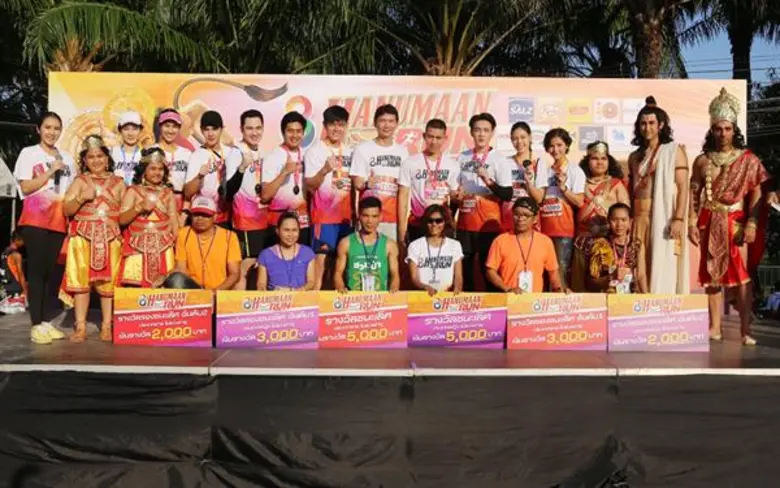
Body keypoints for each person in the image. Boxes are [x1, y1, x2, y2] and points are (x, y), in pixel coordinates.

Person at [689, 87, 769, 345]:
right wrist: (691, 222)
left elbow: (756, 193)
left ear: (734, 130)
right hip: (709, 220)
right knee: (711, 277)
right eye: (718, 129)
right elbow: (694, 193)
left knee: (742, 278)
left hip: (736, 222)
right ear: (712, 130)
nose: (722, 133)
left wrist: (752, 223)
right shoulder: (702, 161)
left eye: (727, 128)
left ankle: (746, 330)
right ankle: (714, 327)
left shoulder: (749, 160)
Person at [13, 111, 76, 344]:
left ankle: (45, 321)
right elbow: (26, 187)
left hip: (58, 220)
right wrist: (50, 171)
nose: (52, 132)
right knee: (37, 272)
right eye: (47, 127)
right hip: (36, 219)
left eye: (56, 128)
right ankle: (36, 324)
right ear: (38, 129)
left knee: (50, 273)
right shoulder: (29, 153)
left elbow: (72, 189)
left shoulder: (67, 158)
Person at [60, 135, 126, 343]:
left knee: (108, 285)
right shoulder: (80, 181)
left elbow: (125, 213)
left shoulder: (119, 183)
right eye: (91, 157)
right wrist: (82, 197)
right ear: (84, 160)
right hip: (83, 237)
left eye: (100, 156)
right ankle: (80, 326)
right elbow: (67, 209)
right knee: (81, 283)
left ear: (107, 158)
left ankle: (107, 325)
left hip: (110, 237)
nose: (96, 160)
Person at [628, 96, 690, 294]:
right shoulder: (634, 157)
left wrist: (678, 218)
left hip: (662, 215)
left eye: (651, 123)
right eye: (643, 123)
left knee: (660, 263)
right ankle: (641, 302)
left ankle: (660, 306)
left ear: (661, 125)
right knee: (638, 266)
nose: (647, 128)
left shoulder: (673, 151)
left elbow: (683, 187)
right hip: (638, 218)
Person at [452, 113, 513, 292]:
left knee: (489, 271)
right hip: (465, 224)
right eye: (477, 130)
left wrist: (488, 180)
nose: (481, 134)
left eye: (486, 130)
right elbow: (456, 191)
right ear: (471, 132)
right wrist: (454, 203)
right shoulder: (462, 158)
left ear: (492, 133)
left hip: (488, 225)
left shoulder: (499, 159)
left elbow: (507, 194)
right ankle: (466, 307)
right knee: (465, 271)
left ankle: (493, 307)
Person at [525, 128, 585, 290]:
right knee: (542, 271)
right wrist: (529, 184)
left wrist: (564, 188)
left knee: (560, 271)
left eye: (559, 145)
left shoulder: (574, 171)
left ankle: (560, 304)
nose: (555, 149)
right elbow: (539, 198)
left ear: (567, 146)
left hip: (563, 230)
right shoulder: (545, 171)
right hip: (543, 229)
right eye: (551, 146)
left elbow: (579, 202)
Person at [304, 105, 354, 290]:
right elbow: (310, 185)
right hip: (324, 218)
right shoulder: (315, 151)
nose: (336, 129)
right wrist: (324, 170)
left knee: (340, 265)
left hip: (346, 218)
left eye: (340, 124)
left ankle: (338, 302)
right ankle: (316, 298)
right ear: (325, 125)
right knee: (321, 265)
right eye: (332, 124)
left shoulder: (350, 151)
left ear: (346, 126)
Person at [570, 141, 630, 292]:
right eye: (595, 158)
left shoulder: (616, 184)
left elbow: (625, 212)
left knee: (606, 284)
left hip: (607, 244)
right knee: (579, 287)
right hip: (582, 243)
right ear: (587, 161)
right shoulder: (579, 183)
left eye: (604, 158)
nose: (599, 162)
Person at [118, 148, 178, 288]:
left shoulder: (168, 193)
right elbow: (122, 219)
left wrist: (177, 248)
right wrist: (139, 207)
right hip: (137, 246)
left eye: (160, 169)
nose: (157, 173)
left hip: (164, 246)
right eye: (152, 169)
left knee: (164, 288)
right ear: (144, 170)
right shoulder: (133, 191)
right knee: (135, 289)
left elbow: (174, 222)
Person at [350, 104, 410, 240]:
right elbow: (357, 184)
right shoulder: (362, 149)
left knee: (391, 253)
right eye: (382, 121)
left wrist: (402, 227)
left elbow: (404, 191)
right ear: (375, 123)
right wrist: (366, 184)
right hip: (369, 219)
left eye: (391, 121)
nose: (386, 125)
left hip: (393, 219)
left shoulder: (403, 152)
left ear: (397, 124)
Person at [225, 109, 268, 290]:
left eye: (258, 128)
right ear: (241, 129)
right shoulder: (236, 153)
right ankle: (237, 304)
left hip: (263, 218)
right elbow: (229, 190)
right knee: (244, 266)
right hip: (245, 220)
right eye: (249, 128)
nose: (254, 132)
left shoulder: (262, 152)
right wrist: (242, 168)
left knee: (259, 265)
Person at [398, 118, 460, 245]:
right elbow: (403, 196)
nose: (434, 142)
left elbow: (455, 197)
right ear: (424, 136)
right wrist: (401, 229)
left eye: (438, 138)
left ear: (445, 138)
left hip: (442, 224)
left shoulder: (452, 165)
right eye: (430, 137)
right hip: (418, 222)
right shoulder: (410, 162)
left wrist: (457, 197)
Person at [486, 197, 562, 294]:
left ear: (535, 219)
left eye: (526, 215)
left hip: (534, 300)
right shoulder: (500, 241)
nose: (520, 219)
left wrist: (559, 289)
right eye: (516, 214)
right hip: (509, 298)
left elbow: (553, 272)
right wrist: (507, 289)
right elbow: (490, 271)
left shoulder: (545, 242)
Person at [261, 111, 311, 243]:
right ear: (283, 132)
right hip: (278, 223)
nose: (294, 135)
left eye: (298, 131)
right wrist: (284, 172)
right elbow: (265, 195)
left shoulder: (308, 155)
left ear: (303, 133)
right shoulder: (272, 156)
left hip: (303, 223)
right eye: (290, 131)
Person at [173, 196, 241, 290]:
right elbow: (181, 268)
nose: (200, 219)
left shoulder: (229, 237)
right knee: (175, 279)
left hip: (220, 289)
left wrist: (215, 291)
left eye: (205, 215)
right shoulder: (183, 234)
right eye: (196, 215)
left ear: (215, 217)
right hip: (194, 288)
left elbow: (234, 274)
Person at [334, 196, 400, 292]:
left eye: (374, 216)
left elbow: (395, 274)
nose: (370, 221)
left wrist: (394, 288)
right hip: (353, 298)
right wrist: (340, 287)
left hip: (379, 298)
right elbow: (338, 273)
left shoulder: (390, 244)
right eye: (365, 216)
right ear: (359, 216)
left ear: (380, 217)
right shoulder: (346, 243)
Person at [585, 203, 648, 294]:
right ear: (608, 221)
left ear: (630, 222)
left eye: (623, 220)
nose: (619, 224)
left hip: (629, 295)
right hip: (606, 295)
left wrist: (645, 296)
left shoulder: (637, 244)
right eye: (614, 220)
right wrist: (611, 277)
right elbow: (590, 283)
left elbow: (641, 276)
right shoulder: (600, 245)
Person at [184, 110, 231, 227]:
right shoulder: (197, 155)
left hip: (227, 217)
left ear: (222, 129)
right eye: (206, 129)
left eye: (214, 129)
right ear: (201, 130)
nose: (210, 134)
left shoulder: (231, 153)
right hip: (204, 217)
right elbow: (188, 193)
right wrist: (199, 176)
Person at [406, 204, 463, 295]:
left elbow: (458, 276)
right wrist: (424, 287)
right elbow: (414, 277)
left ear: (445, 222)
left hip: (447, 295)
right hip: (422, 295)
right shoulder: (414, 246)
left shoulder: (455, 245)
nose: (434, 224)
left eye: (438, 221)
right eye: (430, 221)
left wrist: (457, 289)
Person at [257, 212, 316, 291]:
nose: (290, 235)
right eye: (286, 230)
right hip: (275, 297)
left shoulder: (307, 253)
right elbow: (261, 284)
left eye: (294, 230)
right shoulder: (265, 255)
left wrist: (297, 291)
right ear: (277, 231)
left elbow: (311, 282)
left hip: (300, 296)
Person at [154, 108, 192, 225]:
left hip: (181, 205)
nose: (170, 130)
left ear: (179, 128)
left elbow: (190, 187)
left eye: (174, 126)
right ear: (160, 127)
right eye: (167, 126)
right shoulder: (152, 151)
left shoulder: (187, 153)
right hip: (157, 203)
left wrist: (185, 212)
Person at [501, 121, 540, 233]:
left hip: (529, 219)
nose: (519, 142)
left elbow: (539, 198)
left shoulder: (538, 162)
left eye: (523, 137)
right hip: (508, 217)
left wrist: (528, 183)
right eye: (515, 138)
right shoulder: (505, 162)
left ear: (530, 137)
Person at [111, 111, 145, 186]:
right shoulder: (112, 152)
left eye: (135, 129)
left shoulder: (145, 155)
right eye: (126, 129)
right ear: (120, 131)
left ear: (140, 131)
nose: (130, 133)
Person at [0, 231, 27, 309]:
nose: (24, 243)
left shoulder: (4, 253)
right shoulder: (17, 255)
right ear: (17, 240)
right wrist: (25, 290)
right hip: (15, 290)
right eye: (23, 241)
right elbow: (20, 274)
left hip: (4, 288)